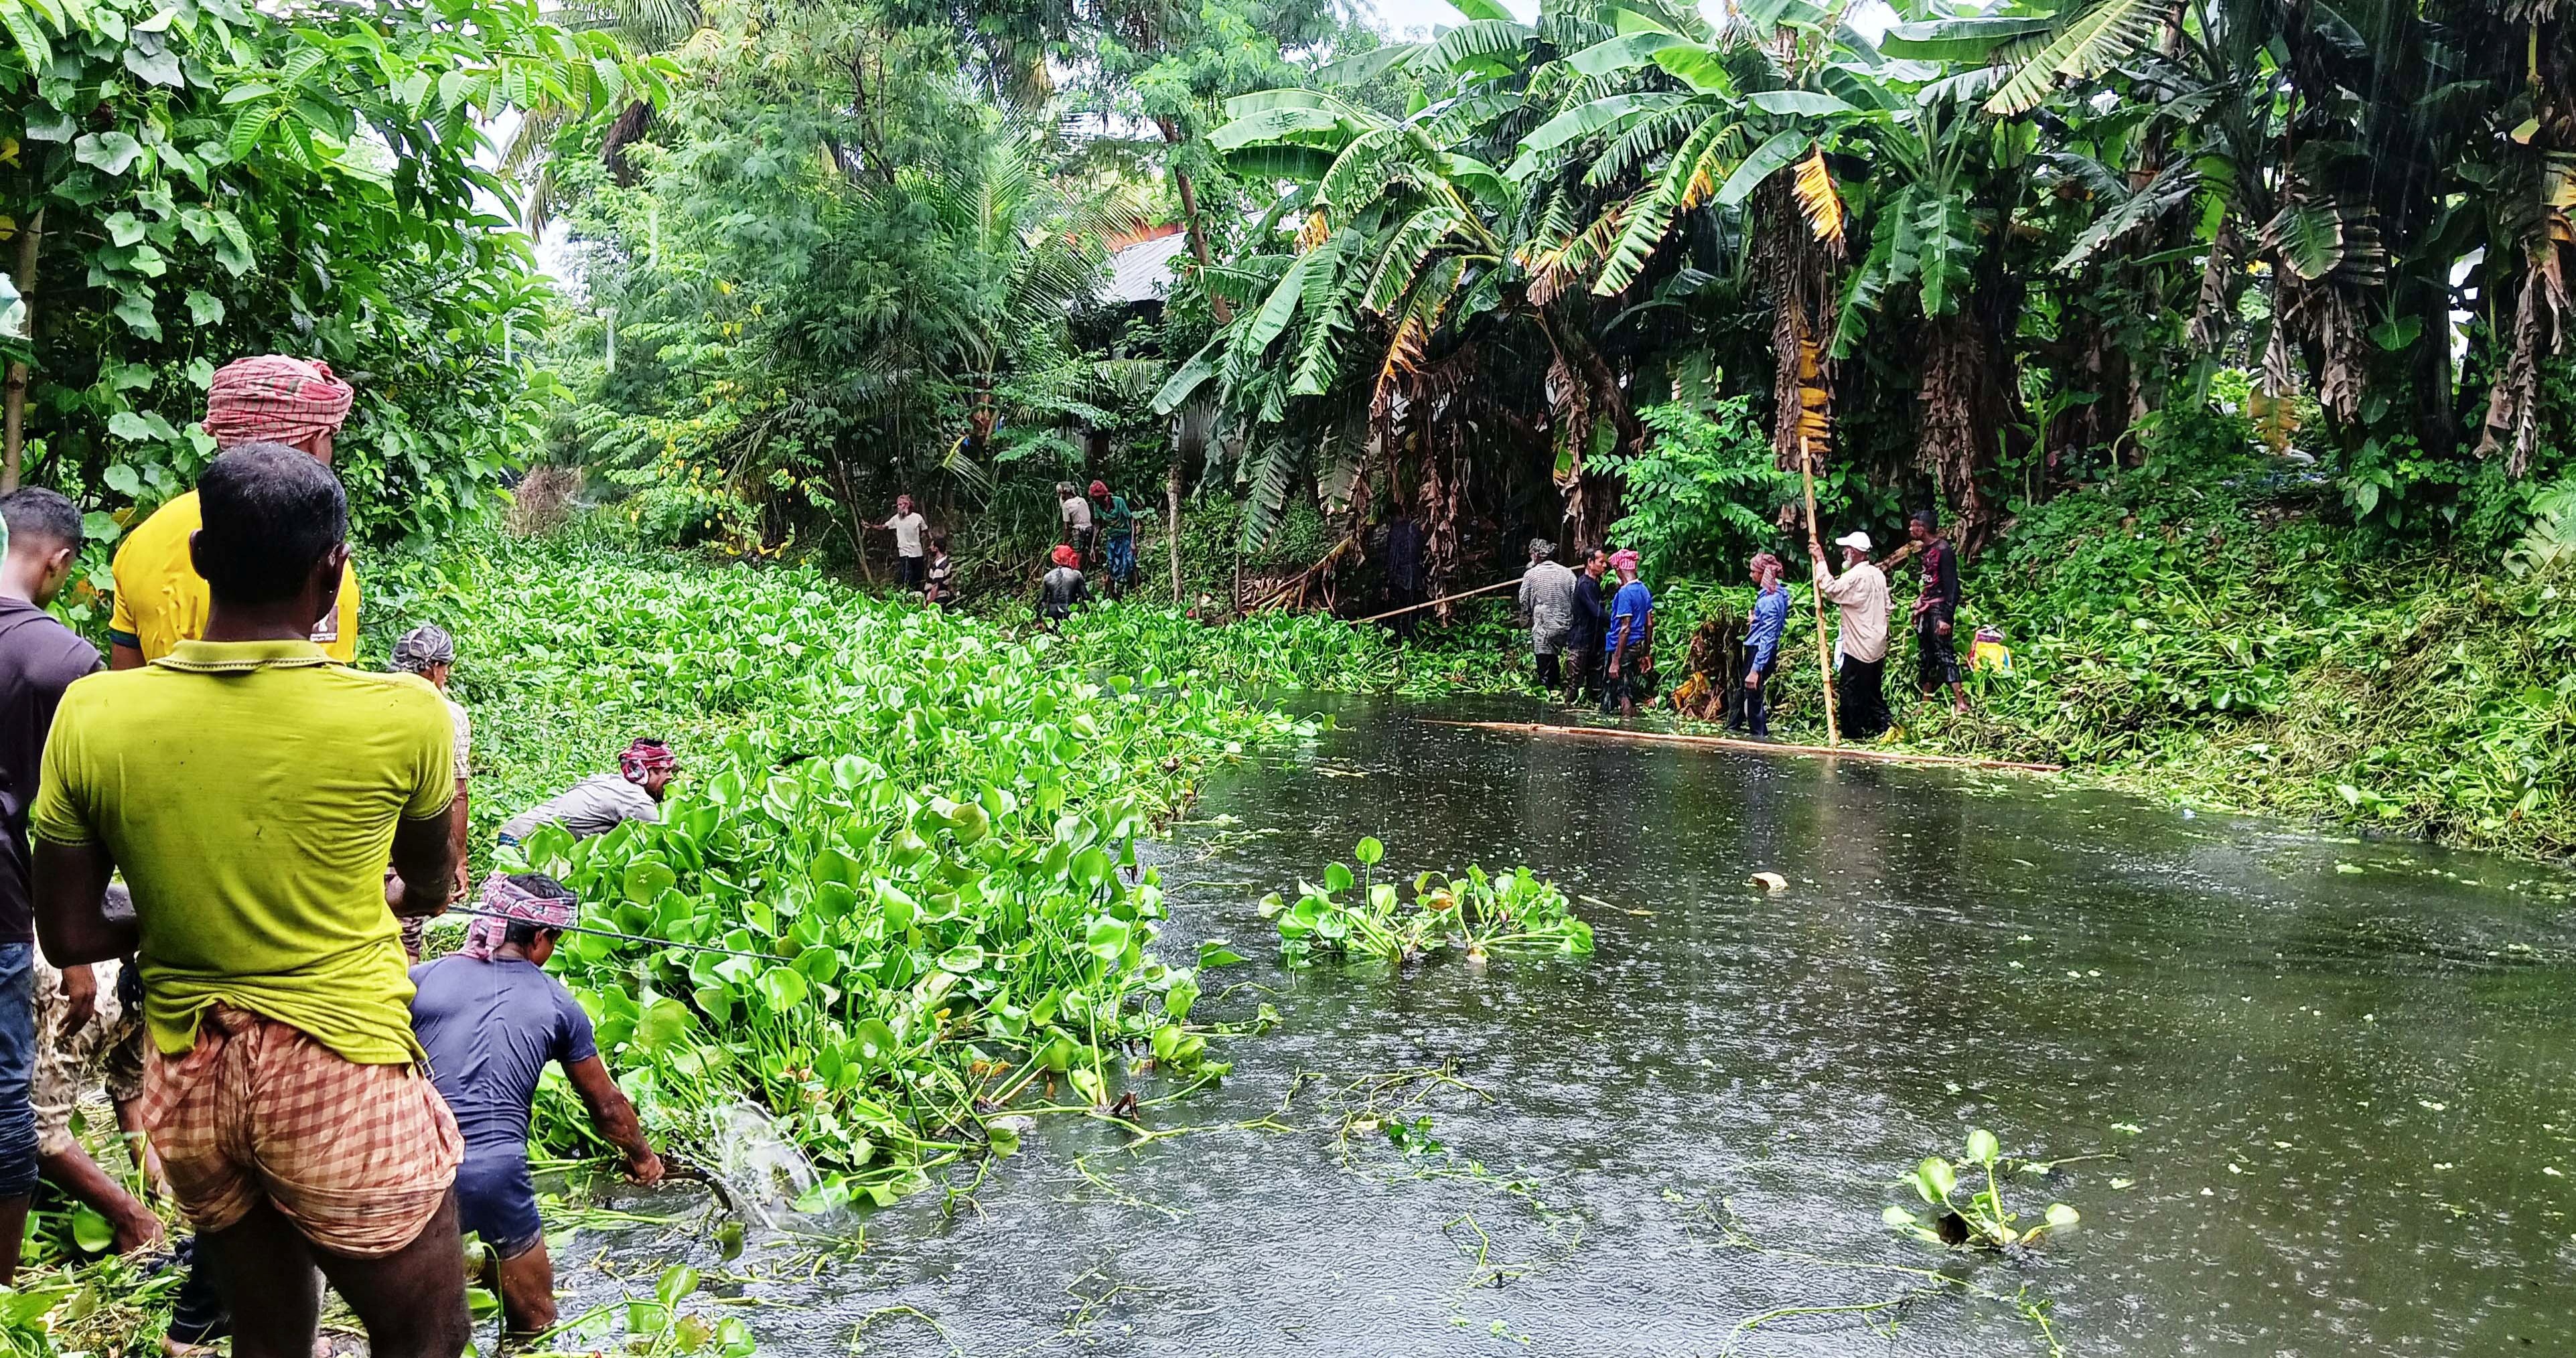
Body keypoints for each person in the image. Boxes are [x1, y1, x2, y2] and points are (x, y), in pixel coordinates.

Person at [31, 443, 468, 1358]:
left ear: (198, 559)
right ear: (332, 572)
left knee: (268, 1335)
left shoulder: (95, 714)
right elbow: (431, 885)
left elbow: (70, 927)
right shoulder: (406, 715)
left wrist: (195, 903)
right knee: (427, 1333)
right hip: (339, 1062)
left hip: (189, 1077)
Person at [410, 874, 660, 1339]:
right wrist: (645, 1160)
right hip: (496, 1175)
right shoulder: (559, 1003)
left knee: (420, 1333)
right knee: (536, 1323)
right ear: (540, 939)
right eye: (555, 940)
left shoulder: (421, 981)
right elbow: (606, 1106)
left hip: (413, 1170)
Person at [0, 487, 102, 1281]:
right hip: (2, 905)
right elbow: (67, 823)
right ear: (58, 560)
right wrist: (75, 954)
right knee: (7, 1100)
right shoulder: (64, 661)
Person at [108, 356, 359, 670]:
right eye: (330, 438)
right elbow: (327, 693)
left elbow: (125, 685)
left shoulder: (142, 542)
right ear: (314, 443)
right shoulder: (320, 561)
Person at [390, 625, 471, 961]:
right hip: (415, 835)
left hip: (361, 836)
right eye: (445, 665)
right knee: (407, 936)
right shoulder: (449, 715)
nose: (447, 673)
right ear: (432, 668)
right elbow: (457, 792)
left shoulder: (364, 697)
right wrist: (459, 857)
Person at [496, 739, 678, 846]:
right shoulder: (638, 802)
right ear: (647, 771)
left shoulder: (608, 780)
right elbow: (655, 846)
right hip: (526, 843)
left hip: (515, 833)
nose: (671, 777)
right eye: (666, 771)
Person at [1810, 530, 1891, 739]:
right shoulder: (1877, 574)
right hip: (1878, 642)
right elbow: (1888, 607)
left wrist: (1820, 561)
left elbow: (1832, 590)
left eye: (1847, 549)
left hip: (1860, 645)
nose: (1844, 553)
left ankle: (1852, 734)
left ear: (1854, 552)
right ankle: (1882, 727)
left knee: (1851, 690)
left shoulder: (1856, 576)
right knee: (1872, 690)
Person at [1904, 509, 1970, 714]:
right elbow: (1930, 582)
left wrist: (1946, 618)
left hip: (1940, 610)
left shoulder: (1943, 550)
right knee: (1926, 654)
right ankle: (1926, 700)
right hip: (1927, 608)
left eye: (1914, 525)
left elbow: (1952, 586)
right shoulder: (1925, 550)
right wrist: (1920, 600)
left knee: (1944, 653)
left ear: (1922, 528)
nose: (1910, 529)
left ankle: (1961, 702)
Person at [1731, 552, 1790, 740]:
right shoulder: (1779, 594)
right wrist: (1755, 621)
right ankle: (1734, 726)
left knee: (1753, 691)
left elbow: (1769, 636)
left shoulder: (1770, 600)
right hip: (1759, 647)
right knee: (1744, 690)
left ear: (1762, 573)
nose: (1751, 576)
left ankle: (1759, 735)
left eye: (1753, 572)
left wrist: (1756, 668)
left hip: (1759, 649)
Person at [1516, 538, 1576, 694]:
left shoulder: (1531, 575)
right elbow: (1576, 598)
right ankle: (1563, 688)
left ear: (1536, 555)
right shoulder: (1568, 573)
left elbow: (1524, 600)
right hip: (1566, 625)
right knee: (1557, 658)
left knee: (1545, 669)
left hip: (1544, 627)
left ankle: (1548, 693)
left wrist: (1528, 614)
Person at [1601, 550, 1653, 718]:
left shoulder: (1624, 593)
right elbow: (1650, 625)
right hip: (1637, 647)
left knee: (1621, 691)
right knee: (1628, 688)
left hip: (1623, 648)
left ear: (1619, 570)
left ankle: (1625, 728)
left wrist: (1615, 660)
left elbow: (1625, 628)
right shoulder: (1644, 590)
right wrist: (1646, 654)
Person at [1564, 547, 1608, 702]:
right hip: (1581, 640)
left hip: (1595, 640)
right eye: (1601, 562)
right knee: (1574, 684)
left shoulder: (1596, 584)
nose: (1605, 566)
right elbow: (1596, 612)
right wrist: (1616, 622)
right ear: (1590, 562)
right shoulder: (1584, 585)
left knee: (1596, 684)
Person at [1382, 504, 1426, 642]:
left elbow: (1392, 559)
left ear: (1390, 517)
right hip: (1417, 574)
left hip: (1401, 578)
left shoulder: (1395, 533)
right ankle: (1414, 637)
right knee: (1414, 609)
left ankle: (1401, 639)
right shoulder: (1414, 528)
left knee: (1400, 611)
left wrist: (1387, 583)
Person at [875, 494, 930, 592]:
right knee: (907, 577)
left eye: (900, 505)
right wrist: (870, 526)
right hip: (905, 553)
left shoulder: (917, 518)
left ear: (907, 505)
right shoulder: (896, 519)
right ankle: (907, 596)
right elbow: (883, 527)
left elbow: (926, 530)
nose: (898, 508)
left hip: (917, 552)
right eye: (898, 505)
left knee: (919, 577)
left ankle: (918, 597)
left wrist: (932, 542)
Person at [1094, 481, 1138, 599]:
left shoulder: (1118, 502)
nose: (1095, 502)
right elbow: (1098, 525)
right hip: (1112, 539)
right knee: (1112, 565)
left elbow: (1131, 520)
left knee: (1128, 563)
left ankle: (1133, 590)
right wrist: (1093, 546)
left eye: (1097, 499)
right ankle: (1113, 594)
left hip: (1125, 537)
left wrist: (1133, 541)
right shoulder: (1097, 506)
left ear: (1104, 498)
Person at [1039, 544, 1089, 625]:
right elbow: (1086, 597)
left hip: (1052, 615)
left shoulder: (1048, 576)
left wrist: (1039, 619)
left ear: (1055, 560)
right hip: (1070, 613)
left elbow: (1042, 600)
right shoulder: (1077, 575)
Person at [1057, 483, 1094, 564]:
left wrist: (1064, 543)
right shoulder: (1082, 500)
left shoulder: (1066, 505)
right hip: (1090, 529)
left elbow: (1066, 526)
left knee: (1076, 559)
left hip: (1079, 531)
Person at [924, 529, 956, 608]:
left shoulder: (940, 567)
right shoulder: (946, 561)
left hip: (938, 599)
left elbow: (936, 586)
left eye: (932, 546)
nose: (930, 548)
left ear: (936, 549)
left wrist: (929, 604)